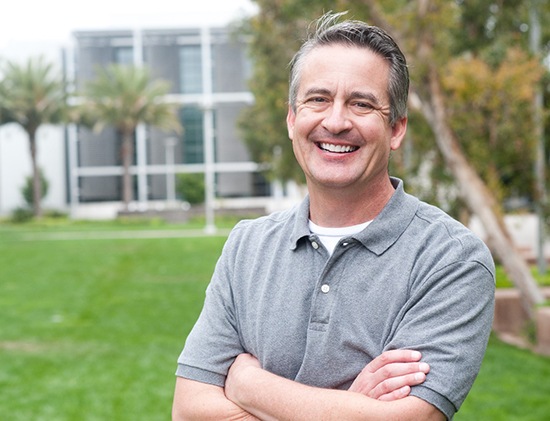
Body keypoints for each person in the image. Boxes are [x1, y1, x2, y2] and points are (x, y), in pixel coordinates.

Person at [172, 12, 495, 421]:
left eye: (361, 104)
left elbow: (411, 418)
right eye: (318, 99)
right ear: (292, 119)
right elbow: (187, 410)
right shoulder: (246, 246)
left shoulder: (451, 259)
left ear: (396, 129)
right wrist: (348, 408)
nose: (336, 121)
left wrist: (248, 385)